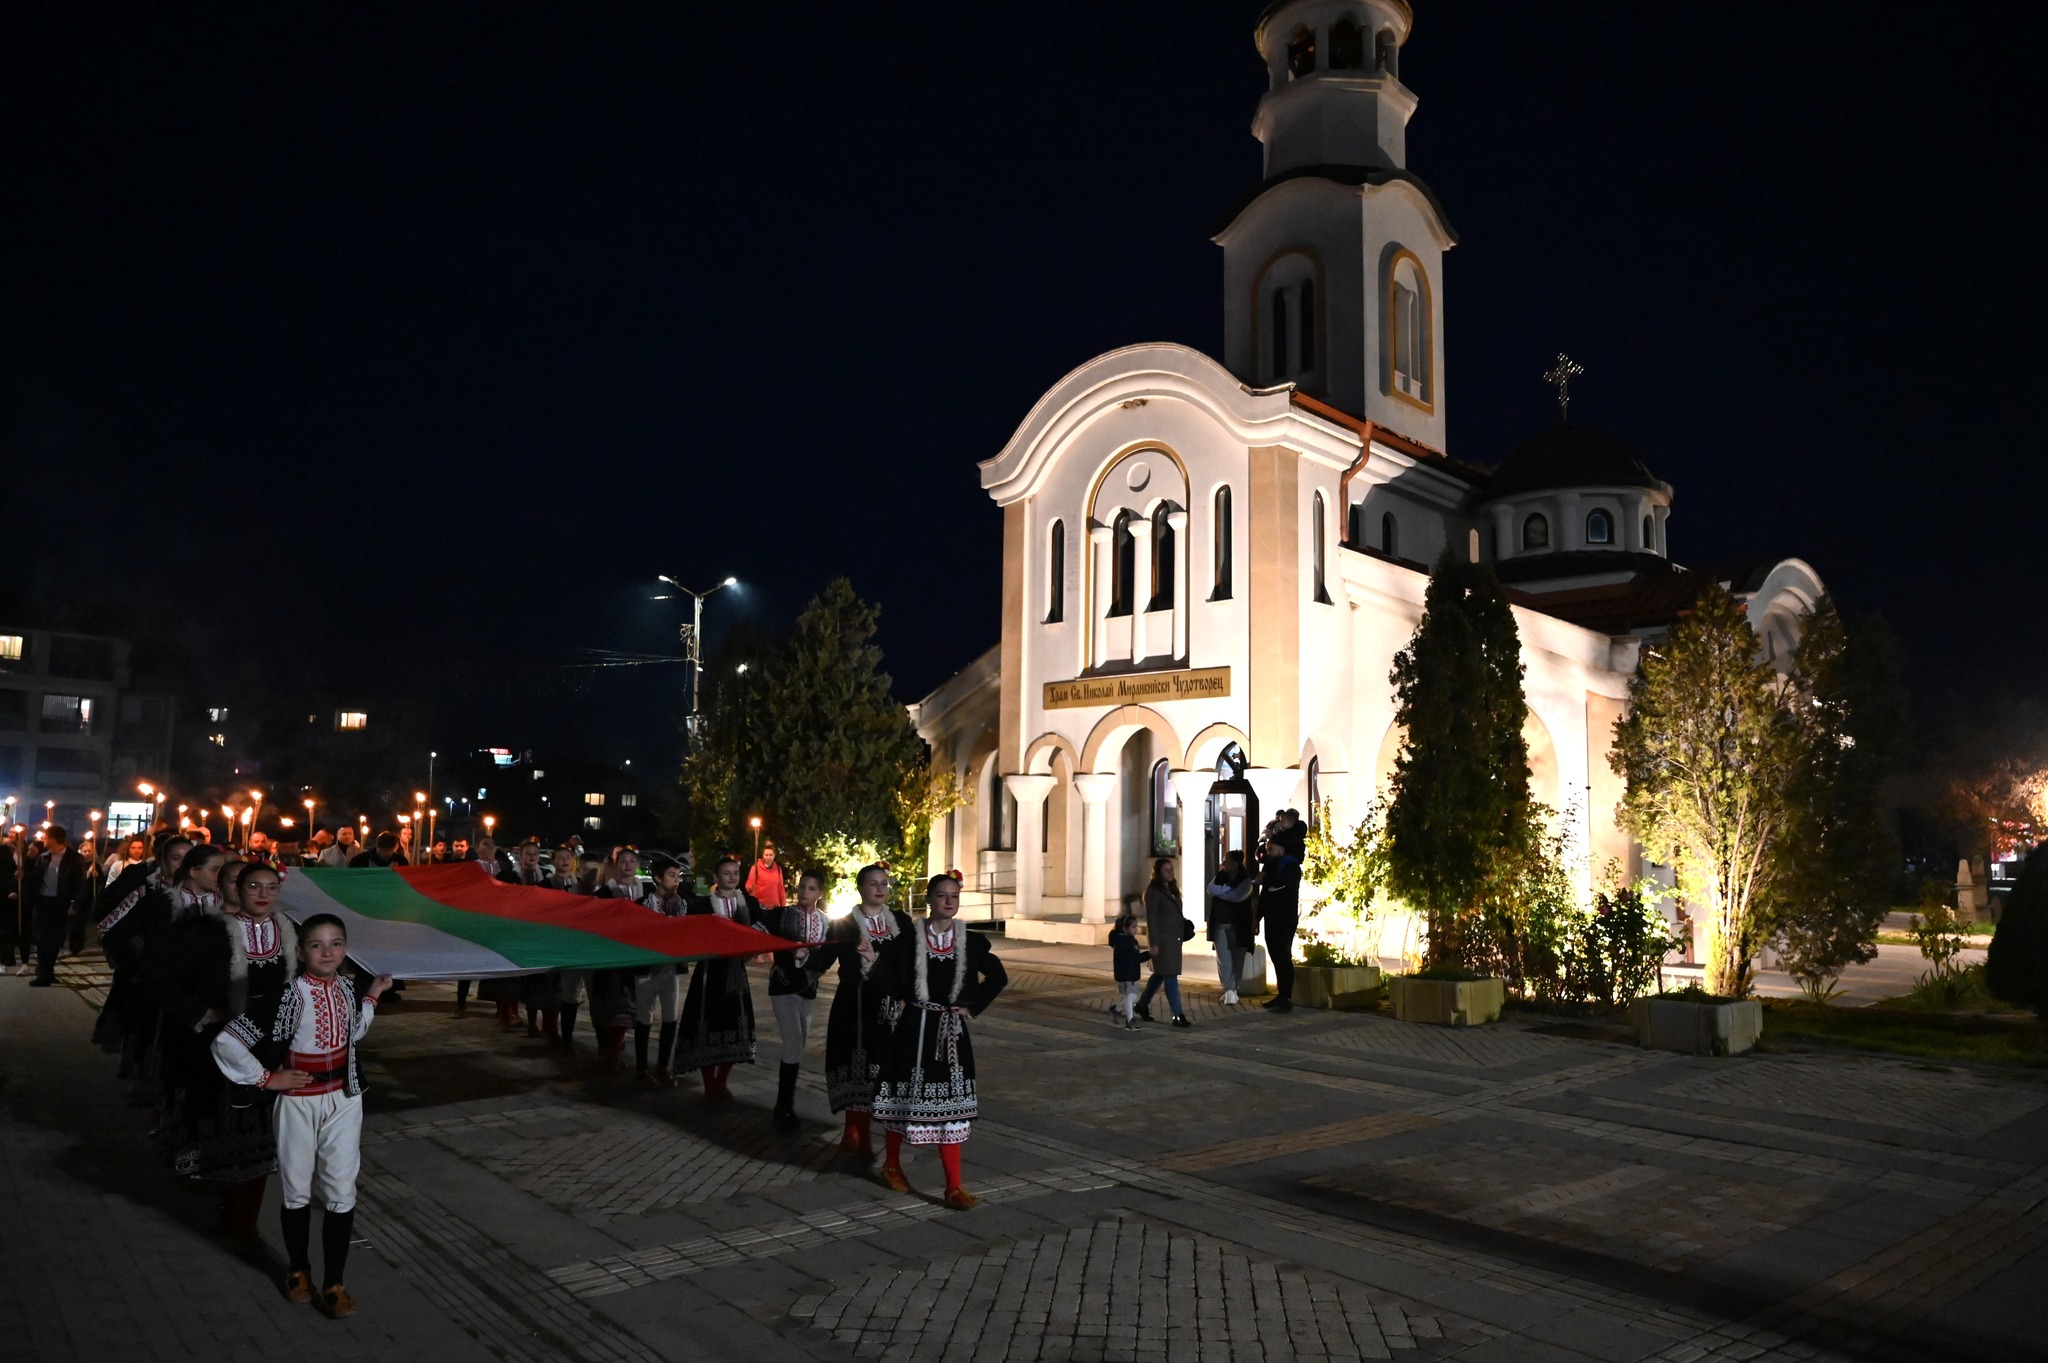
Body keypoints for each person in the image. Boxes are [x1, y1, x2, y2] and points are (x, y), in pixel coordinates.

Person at [211, 913, 390, 1318]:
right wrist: (267, 1078)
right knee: (296, 1188)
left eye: (336, 944)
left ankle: (334, 1283)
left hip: (344, 1099)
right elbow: (227, 1042)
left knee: (341, 1189)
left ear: (346, 949)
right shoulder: (286, 996)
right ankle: (297, 1270)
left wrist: (374, 994)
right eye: (316, 945)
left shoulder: (348, 988)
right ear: (300, 951)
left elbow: (354, 1030)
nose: (327, 952)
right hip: (297, 1101)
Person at [153, 854, 295, 1240]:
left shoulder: (288, 932)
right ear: (236, 890)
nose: (262, 894)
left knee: (263, 1141)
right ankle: (229, 1216)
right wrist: (203, 1013)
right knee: (225, 1136)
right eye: (253, 886)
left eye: (271, 887)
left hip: (271, 1049)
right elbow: (164, 979)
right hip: (220, 1049)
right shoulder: (207, 931)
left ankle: (245, 1226)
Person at [871, 874, 1007, 1209]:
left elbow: (998, 977)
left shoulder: (970, 941)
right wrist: (871, 962)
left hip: (950, 1034)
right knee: (902, 1099)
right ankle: (891, 1165)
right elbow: (890, 979)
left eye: (954, 896)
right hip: (914, 1029)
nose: (949, 901)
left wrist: (971, 1005)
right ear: (929, 899)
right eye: (942, 895)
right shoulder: (909, 939)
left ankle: (954, 1186)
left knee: (951, 1108)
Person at [823, 863, 909, 1158]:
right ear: (860, 888)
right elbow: (822, 958)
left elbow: (909, 962)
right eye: (873, 883)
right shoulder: (845, 924)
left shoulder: (901, 922)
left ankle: (859, 1133)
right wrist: (798, 957)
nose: (880, 888)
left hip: (889, 1006)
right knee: (856, 1069)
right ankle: (855, 1134)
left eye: (884, 883)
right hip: (855, 1005)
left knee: (880, 1071)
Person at [677, 854, 761, 1100]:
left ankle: (722, 1081)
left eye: (735, 873)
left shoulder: (749, 904)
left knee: (735, 1025)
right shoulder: (703, 905)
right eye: (727, 873)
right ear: (716, 877)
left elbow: (762, 929)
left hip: (735, 972)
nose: (732, 877)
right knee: (708, 1024)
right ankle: (709, 1085)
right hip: (709, 973)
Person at [761, 868, 833, 1128]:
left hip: (808, 988)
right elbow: (756, 929)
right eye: (802, 886)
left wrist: (811, 960)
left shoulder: (826, 922)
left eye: (811, 888)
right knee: (792, 1042)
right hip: (783, 984)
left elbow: (827, 957)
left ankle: (786, 1106)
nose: (804, 892)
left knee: (799, 1044)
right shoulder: (781, 915)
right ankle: (783, 1109)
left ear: (820, 893)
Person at [630, 853, 690, 1084]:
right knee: (644, 1016)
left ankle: (663, 1066)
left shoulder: (682, 904)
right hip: (646, 967)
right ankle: (641, 1068)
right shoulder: (642, 904)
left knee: (670, 1016)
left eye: (678, 876)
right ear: (658, 878)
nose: (676, 880)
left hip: (670, 967)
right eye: (671, 876)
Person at [586, 848, 648, 1069]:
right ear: (616, 865)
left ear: (637, 864)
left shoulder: (647, 891)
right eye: (623, 861)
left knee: (636, 1005)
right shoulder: (606, 891)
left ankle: (616, 1051)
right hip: (612, 954)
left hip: (638, 954)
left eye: (632, 861)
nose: (628, 865)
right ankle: (612, 1053)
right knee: (614, 1005)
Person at [1132, 857, 1191, 1027]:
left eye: (1171, 869)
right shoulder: (1153, 892)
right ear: (1158, 873)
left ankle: (1142, 1004)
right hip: (1163, 942)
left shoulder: (1173, 890)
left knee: (1160, 974)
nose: (1170, 873)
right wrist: (1154, 944)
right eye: (1166, 870)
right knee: (1170, 976)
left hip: (1174, 940)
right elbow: (1151, 919)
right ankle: (1177, 1014)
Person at [25, 825, 86, 987]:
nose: (42, 840)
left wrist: (74, 904)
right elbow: (35, 879)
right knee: (41, 938)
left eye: (45, 837)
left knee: (55, 939)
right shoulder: (43, 857)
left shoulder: (74, 859)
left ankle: (47, 971)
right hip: (42, 902)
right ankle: (44, 973)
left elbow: (80, 885)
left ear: (54, 839)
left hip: (60, 903)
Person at [1257, 838, 1302, 1012]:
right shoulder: (1270, 866)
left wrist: (1265, 879)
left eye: (1271, 849)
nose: (1268, 853)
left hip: (1285, 918)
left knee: (1283, 956)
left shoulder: (1291, 866)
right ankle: (1281, 994)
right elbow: (1265, 894)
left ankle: (1286, 998)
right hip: (1271, 917)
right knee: (1276, 956)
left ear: (1281, 850)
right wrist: (1257, 917)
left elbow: (1279, 885)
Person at [1207, 849, 1255, 1006]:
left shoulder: (1245, 881)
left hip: (1238, 925)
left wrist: (1220, 892)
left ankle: (1233, 989)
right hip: (1219, 923)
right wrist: (1226, 890)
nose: (1223, 863)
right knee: (1223, 958)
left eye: (1226, 860)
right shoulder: (1220, 876)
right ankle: (1229, 990)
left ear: (1234, 864)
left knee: (1237, 957)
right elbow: (1210, 889)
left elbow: (1238, 897)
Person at [1108, 904, 1149, 1029]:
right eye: (1133, 927)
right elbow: (1133, 959)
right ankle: (1130, 1021)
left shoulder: (1121, 941)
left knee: (1132, 996)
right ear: (1125, 929)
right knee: (1131, 996)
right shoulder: (1127, 942)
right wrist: (1149, 954)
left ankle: (1116, 1009)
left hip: (1125, 973)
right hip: (1128, 974)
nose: (1136, 929)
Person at [745, 840, 787, 909]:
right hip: (760, 906)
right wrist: (749, 889)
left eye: (771, 855)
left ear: (774, 856)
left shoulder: (778, 869)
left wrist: (783, 905)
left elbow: (780, 888)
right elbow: (749, 885)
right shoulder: (755, 868)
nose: (768, 857)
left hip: (774, 906)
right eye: (766, 855)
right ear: (763, 855)